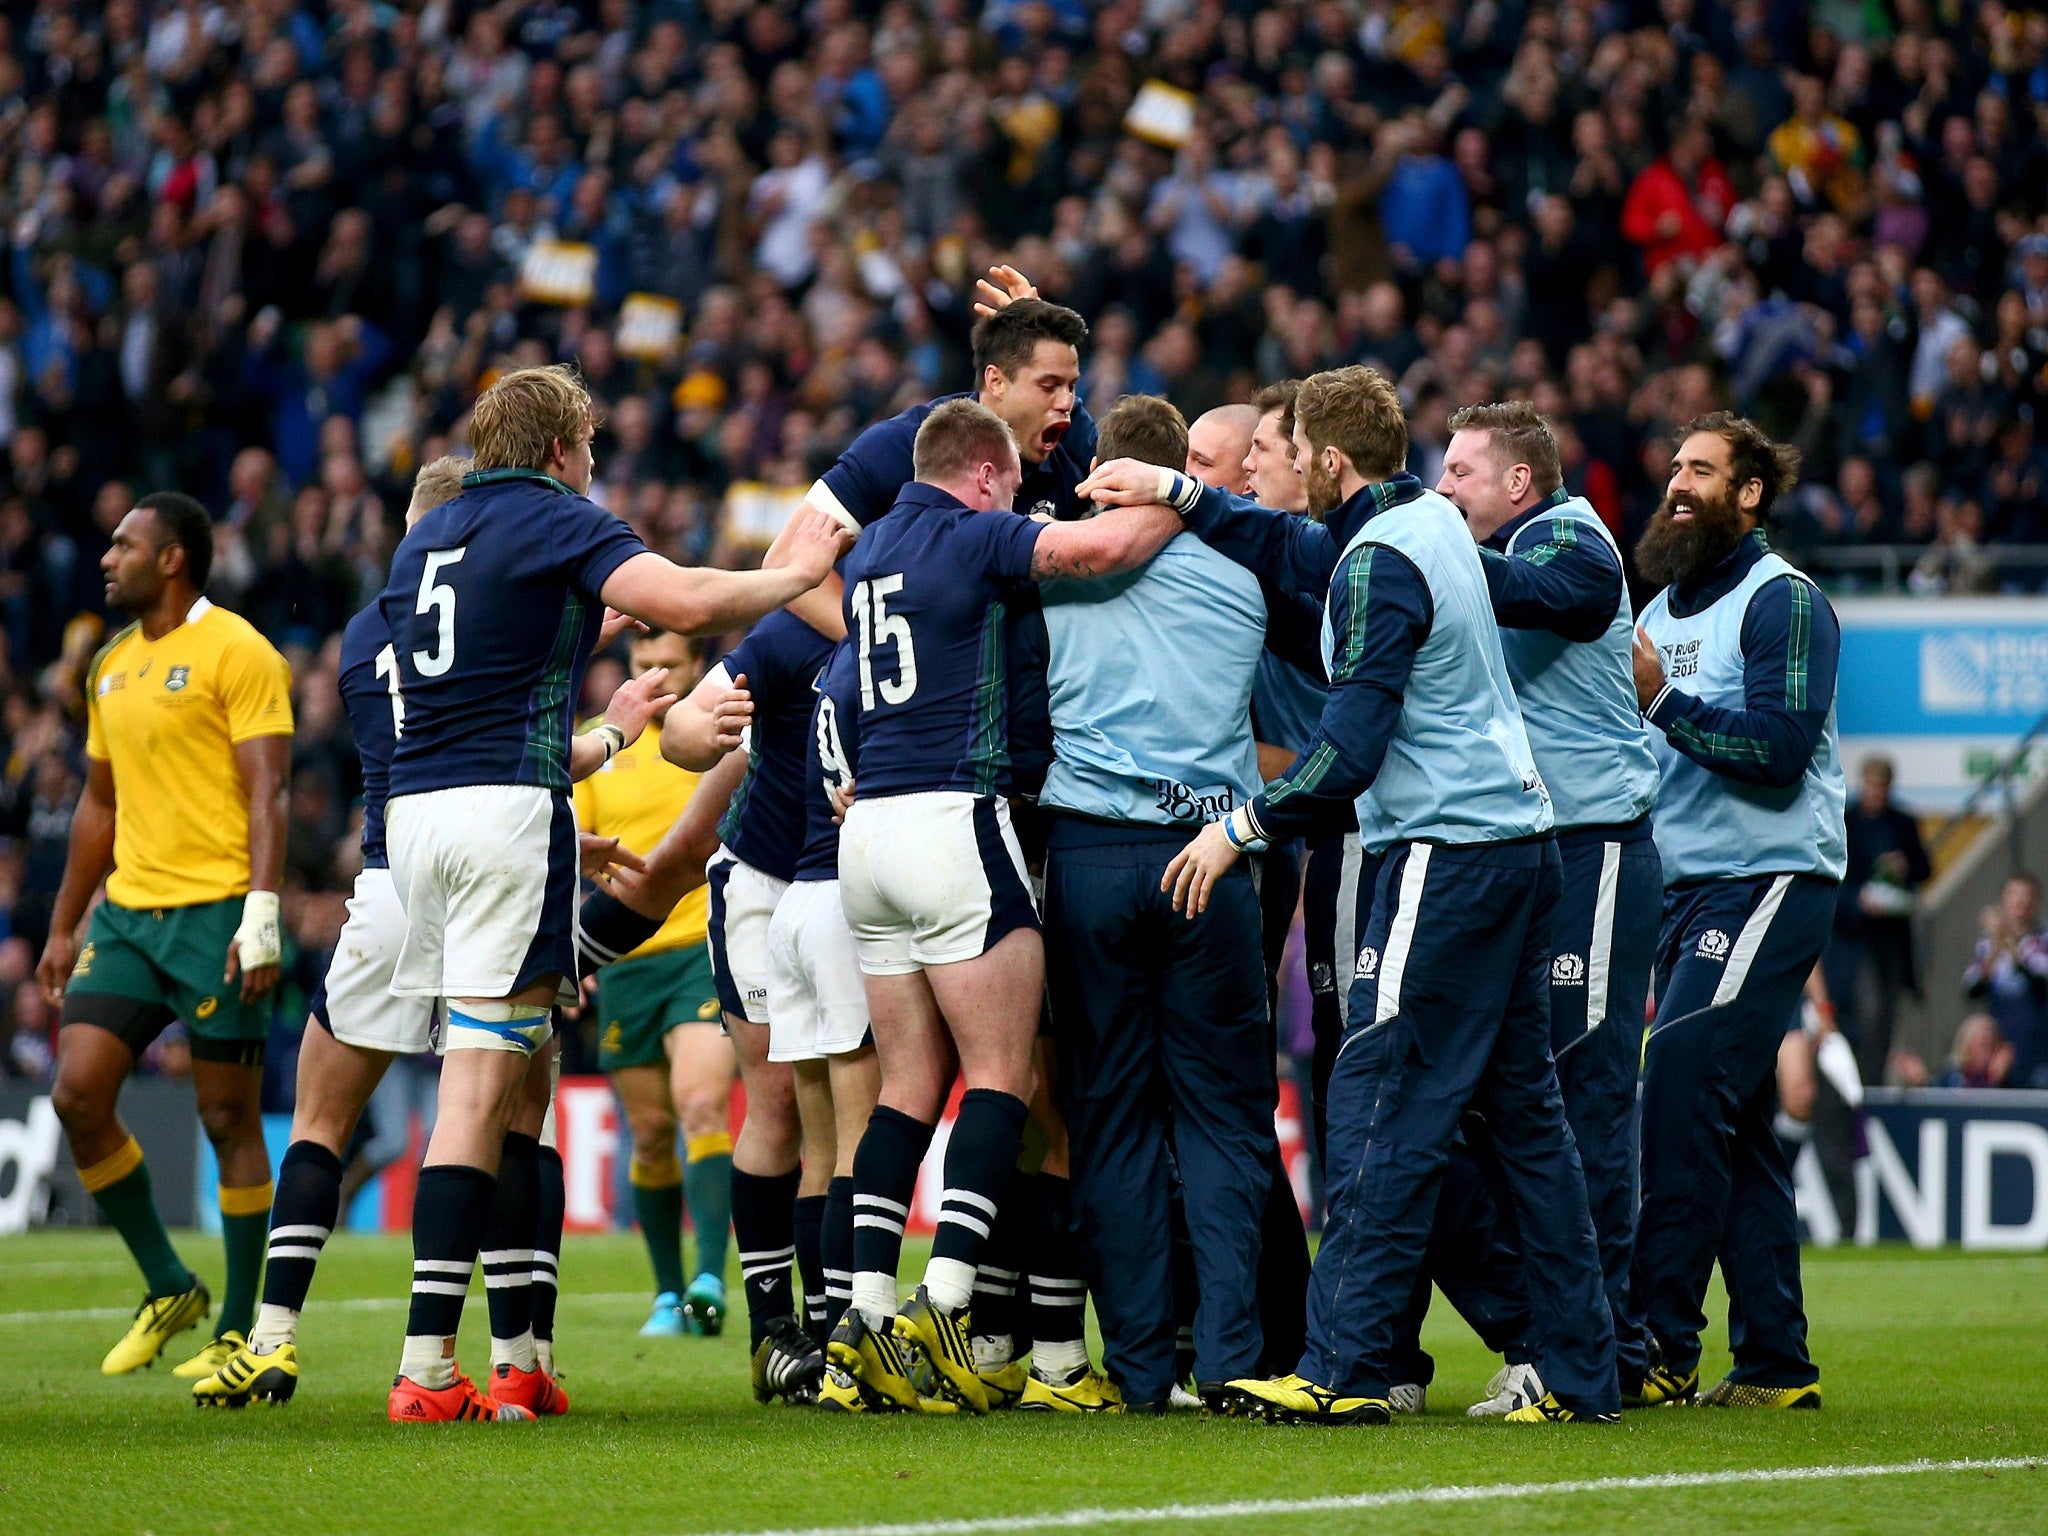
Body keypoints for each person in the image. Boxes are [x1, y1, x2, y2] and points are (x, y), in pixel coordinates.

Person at [1081, 365, 1618, 1425]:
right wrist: (1185, 494)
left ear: (1326, 459)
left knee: (1373, 1106)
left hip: (1442, 854)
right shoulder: (1423, 524)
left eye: (1275, 453)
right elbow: (1290, 547)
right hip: (1520, 844)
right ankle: (1577, 1370)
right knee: (1524, 1125)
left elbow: (1352, 747)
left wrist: (1238, 828)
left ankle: (1344, 1369)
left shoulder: (1377, 559)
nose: (1257, 468)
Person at [378, 363, 847, 1424]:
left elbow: (489, 657)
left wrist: (604, 710)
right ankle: (426, 1371)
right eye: (587, 443)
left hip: (418, 818)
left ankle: (519, 1356)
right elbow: (680, 598)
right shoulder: (554, 514)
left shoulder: (428, 534)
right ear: (558, 449)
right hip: (501, 816)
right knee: (475, 1095)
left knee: (517, 1078)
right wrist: (794, 573)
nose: (593, 461)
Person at [188, 458, 668, 1408]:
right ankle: (519, 1358)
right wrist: (610, 728)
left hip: (391, 875)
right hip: (489, 862)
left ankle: (272, 1336)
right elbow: (519, 752)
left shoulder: (371, 629)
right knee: (513, 1116)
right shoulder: (505, 611)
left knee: (321, 1117)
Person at [825, 398, 1181, 1415]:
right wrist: (1181, 494)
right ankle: (943, 1302)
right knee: (1003, 1072)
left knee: (903, 1086)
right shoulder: (978, 531)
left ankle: (861, 1308)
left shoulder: (871, 547)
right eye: (1013, 481)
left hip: (866, 835)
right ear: (983, 474)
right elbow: (1103, 545)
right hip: (951, 816)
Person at [1014, 394, 1277, 1412]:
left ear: (1099, 475)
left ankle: (1134, 1368)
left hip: (1089, 856)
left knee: (1111, 1120)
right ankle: (1228, 1358)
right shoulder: (1247, 563)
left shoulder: (1056, 561)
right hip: (1207, 856)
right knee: (1222, 1120)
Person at [1424, 401, 1664, 1415]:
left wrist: (1418, 541)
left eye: (1457, 475)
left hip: (1594, 846)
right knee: (1496, 1101)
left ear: (1516, 482)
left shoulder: (1562, 533)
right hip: (1529, 853)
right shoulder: (1503, 541)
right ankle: (1556, 1333)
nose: (1442, 493)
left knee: (1582, 1097)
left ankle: (1597, 1352)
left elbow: (1565, 595)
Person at [38, 491, 294, 1379]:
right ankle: (165, 1283)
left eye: (124, 545)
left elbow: (270, 792)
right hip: (130, 915)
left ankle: (238, 1324)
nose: (107, 558)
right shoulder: (109, 665)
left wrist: (263, 912)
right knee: (77, 1093)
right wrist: (65, 923)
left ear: (173, 557)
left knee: (226, 1116)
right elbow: (98, 806)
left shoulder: (239, 651)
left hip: (219, 913)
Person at [1629, 410, 1844, 1409]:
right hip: (1684, 888)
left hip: (1765, 878)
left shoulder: (1781, 601)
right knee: (1735, 1124)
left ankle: (1657, 1346)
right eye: (1673, 466)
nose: (1675, 482)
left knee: (1676, 1079)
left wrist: (1659, 703)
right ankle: (1773, 1364)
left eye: (1700, 469)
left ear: (1747, 492)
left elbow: (1776, 752)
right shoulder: (1660, 612)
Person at [661, 607, 837, 1402]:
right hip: (764, 884)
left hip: (850, 888)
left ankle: (834, 1324)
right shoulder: (787, 633)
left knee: (838, 1105)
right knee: (776, 1101)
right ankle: (772, 1331)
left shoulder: (914, 612)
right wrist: (697, 731)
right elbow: (684, 727)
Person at [574, 627, 736, 1339]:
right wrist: (568, 953)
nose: (658, 674)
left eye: (671, 663)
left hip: (700, 943)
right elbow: (563, 848)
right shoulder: (595, 746)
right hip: (624, 962)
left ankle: (709, 1276)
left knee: (701, 1102)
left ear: (697, 666)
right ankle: (669, 1296)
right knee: (648, 1133)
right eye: (644, 665)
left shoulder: (715, 737)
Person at [1826, 755, 1929, 1086]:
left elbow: (1924, 867)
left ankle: (1876, 1083)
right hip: (1855, 940)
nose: (1876, 793)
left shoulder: (1902, 823)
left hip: (1892, 938)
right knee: (1865, 1012)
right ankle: (1863, 1084)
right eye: (1871, 785)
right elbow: (1833, 882)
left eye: (1881, 787)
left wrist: (1904, 867)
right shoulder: (1847, 821)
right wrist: (1859, 903)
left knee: (1887, 1015)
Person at [1962, 874, 2048, 1090]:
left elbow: (2040, 983)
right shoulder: (1988, 943)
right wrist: (1996, 944)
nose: (2020, 901)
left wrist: (2013, 946)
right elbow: (1972, 989)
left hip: (2037, 1046)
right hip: (1999, 1047)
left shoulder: (2042, 940)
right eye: (2013, 894)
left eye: (2026, 895)